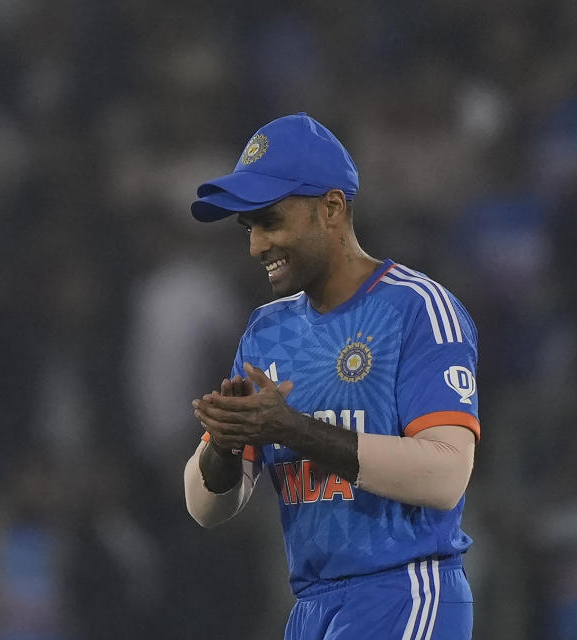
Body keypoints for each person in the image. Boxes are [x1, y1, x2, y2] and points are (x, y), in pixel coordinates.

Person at [183, 113, 481, 640]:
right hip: (311, 610)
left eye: (270, 221)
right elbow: (207, 506)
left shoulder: (416, 309)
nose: (256, 246)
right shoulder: (266, 332)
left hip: (405, 592)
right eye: (249, 228)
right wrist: (223, 448)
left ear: (332, 208)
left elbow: (445, 476)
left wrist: (290, 429)